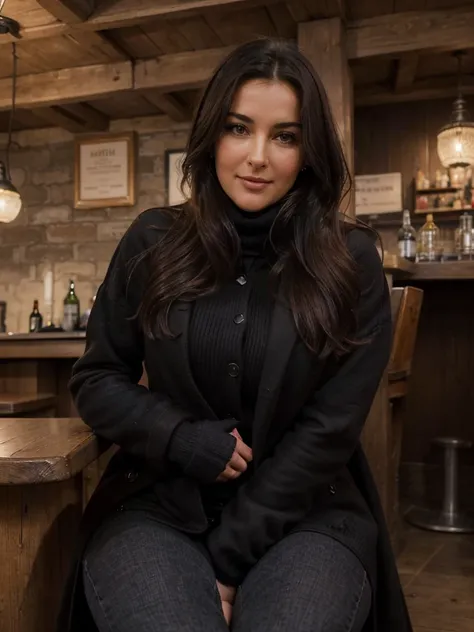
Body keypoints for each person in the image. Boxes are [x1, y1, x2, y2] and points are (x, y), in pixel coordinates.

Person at [58, 38, 413, 632]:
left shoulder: (350, 260)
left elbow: (328, 432)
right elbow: (95, 381)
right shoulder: (152, 241)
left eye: (284, 136)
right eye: (238, 128)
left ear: (309, 150)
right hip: (156, 507)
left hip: (307, 513)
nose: (257, 156)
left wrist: (226, 564)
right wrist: (178, 437)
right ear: (210, 136)